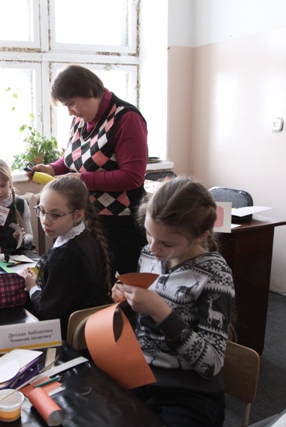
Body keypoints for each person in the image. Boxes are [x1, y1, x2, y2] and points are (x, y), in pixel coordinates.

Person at [111, 177, 235, 427]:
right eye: (149, 233)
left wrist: (161, 312)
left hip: (190, 393)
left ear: (200, 235)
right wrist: (127, 299)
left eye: (167, 243)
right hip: (143, 374)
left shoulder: (215, 275)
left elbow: (211, 364)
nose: (153, 247)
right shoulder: (149, 255)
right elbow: (145, 327)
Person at [29, 64, 148, 282]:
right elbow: (72, 160)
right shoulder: (80, 120)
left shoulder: (126, 118)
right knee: (95, 284)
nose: (70, 111)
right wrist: (52, 168)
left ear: (90, 91)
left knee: (127, 286)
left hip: (122, 224)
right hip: (91, 219)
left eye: (71, 103)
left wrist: (82, 179)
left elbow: (132, 177)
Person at [20, 175, 111, 337]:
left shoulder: (65, 256)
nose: (45, 221)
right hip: (91, 330)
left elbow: (47, 313)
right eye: (42, 211)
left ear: (78, 215)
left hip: (62, 336)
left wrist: (32, 287)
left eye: (55, 215)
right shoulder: (88, 236)